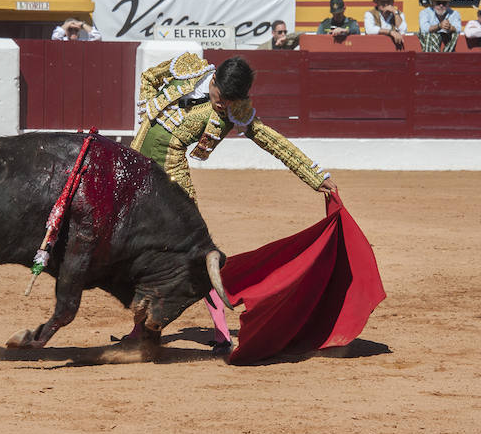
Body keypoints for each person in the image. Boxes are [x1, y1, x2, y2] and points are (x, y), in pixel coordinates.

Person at [129, 52, 337, 353]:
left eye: (229, 101)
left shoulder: (234, 110)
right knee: (135, 251)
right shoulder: (188, 69)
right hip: (135, 162)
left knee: (195, 256)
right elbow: (148, 77)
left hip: (171, 179)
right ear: (212, 81)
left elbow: (271, 141)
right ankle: (139, 331)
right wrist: (148, 110)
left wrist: (315, 175)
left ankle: (222, 333)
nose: (222, 104)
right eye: (221, 97)